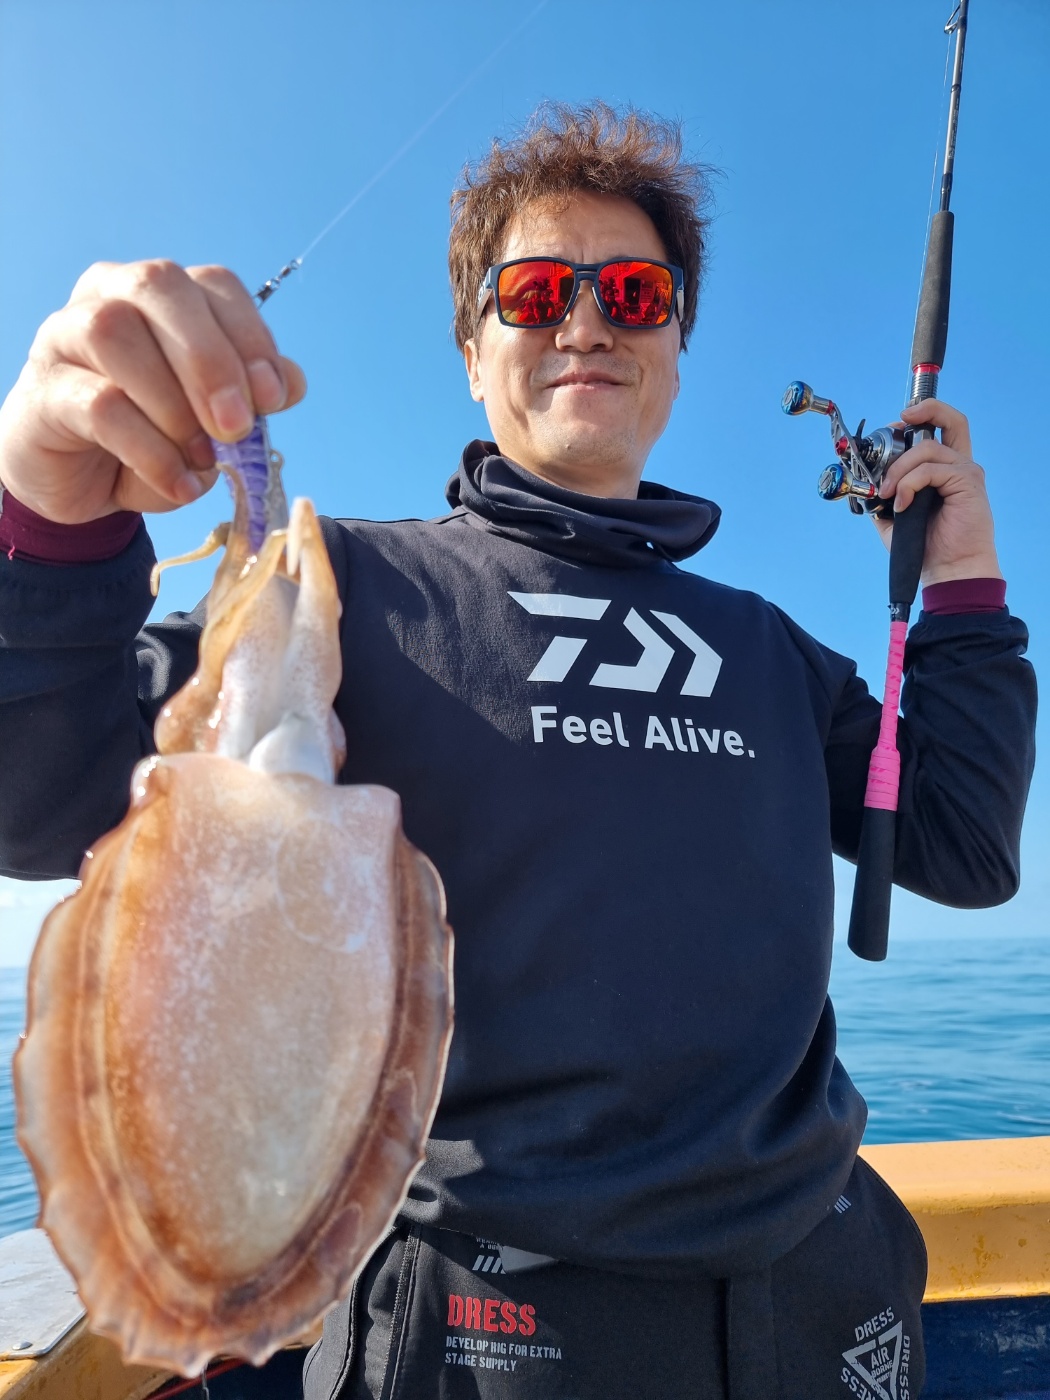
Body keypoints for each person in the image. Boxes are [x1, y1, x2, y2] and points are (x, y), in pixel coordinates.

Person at [0, 104, 1035, 1400]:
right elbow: (36, 799)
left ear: (674, 349)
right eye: (537, 292)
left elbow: (961, 845)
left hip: (820, 1305)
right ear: (472, 351)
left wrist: (963, 583)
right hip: (478, 1335)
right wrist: (47, 515)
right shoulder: (337, 590)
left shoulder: (771, 649)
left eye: (634, 294)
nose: (586, 323)